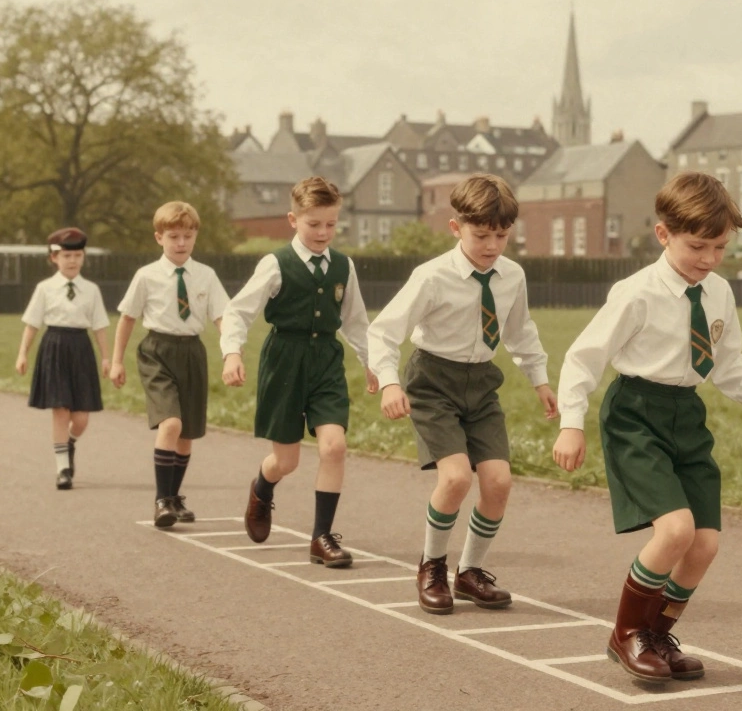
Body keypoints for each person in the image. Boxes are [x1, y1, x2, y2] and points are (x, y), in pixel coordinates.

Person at [553, 172, 742, 683]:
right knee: (676, 530)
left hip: (688, 415)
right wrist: (571, 425)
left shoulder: (720, 292)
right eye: (697, 246)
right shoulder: (636, 293)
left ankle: (658, 635)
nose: (708, 258)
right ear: (664, 235)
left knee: (704, 544)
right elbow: (582, 358)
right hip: (636, 414)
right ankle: (625, 635)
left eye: (720, 247)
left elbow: (728, 362)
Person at [369, 173, 557, 615]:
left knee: (498, 482)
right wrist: (390, 381)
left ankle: (470, 572)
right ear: (456, 228)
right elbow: (385, 331)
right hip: (433, 382)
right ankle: (432, 565)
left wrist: (540, 380)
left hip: (481, 383)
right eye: (481, 235)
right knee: (455, 478)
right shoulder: (432, 277)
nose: (492, 245)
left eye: (501, 235)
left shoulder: (512, 276)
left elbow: (520, 331)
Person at [220, 176, 376, 568]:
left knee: (334, 446)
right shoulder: (275, 264)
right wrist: (231, 354)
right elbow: (238, 311)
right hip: (284, 361)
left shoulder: (344, 265)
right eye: (314, 224)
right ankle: (262, 487)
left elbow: (355, 320)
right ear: (293, 219)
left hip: (325, 360)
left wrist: (373, 363)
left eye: (331, 224)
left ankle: (321, 537)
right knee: (286, 462)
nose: (323, 232)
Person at [110, 201, 229, 527]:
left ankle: (174, 498)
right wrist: (117, 361)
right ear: (158, 238)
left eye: (187, 236)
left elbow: (222, 317)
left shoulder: (206, 275)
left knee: (187, 432)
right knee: (171, 424)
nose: (181, 243)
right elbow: (127, 318)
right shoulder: (146, 276)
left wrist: (232, 354)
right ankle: (161, 500)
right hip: (157, 351)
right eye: (173, 236)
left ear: (195, 237)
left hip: (192, 352)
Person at [16, 227, 110, 490]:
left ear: (83, 257)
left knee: (80, 417)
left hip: (80, 348)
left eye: (77, 255)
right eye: (66, 255)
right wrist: (23, 352)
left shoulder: (91, 290)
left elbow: (100, 326)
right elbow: (32, 323)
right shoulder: (45, 288)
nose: (72, 261)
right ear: (53, 258)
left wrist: (106, 358)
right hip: (54, 347)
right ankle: (63, 469)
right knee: (60, 409)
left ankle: (69, 442)